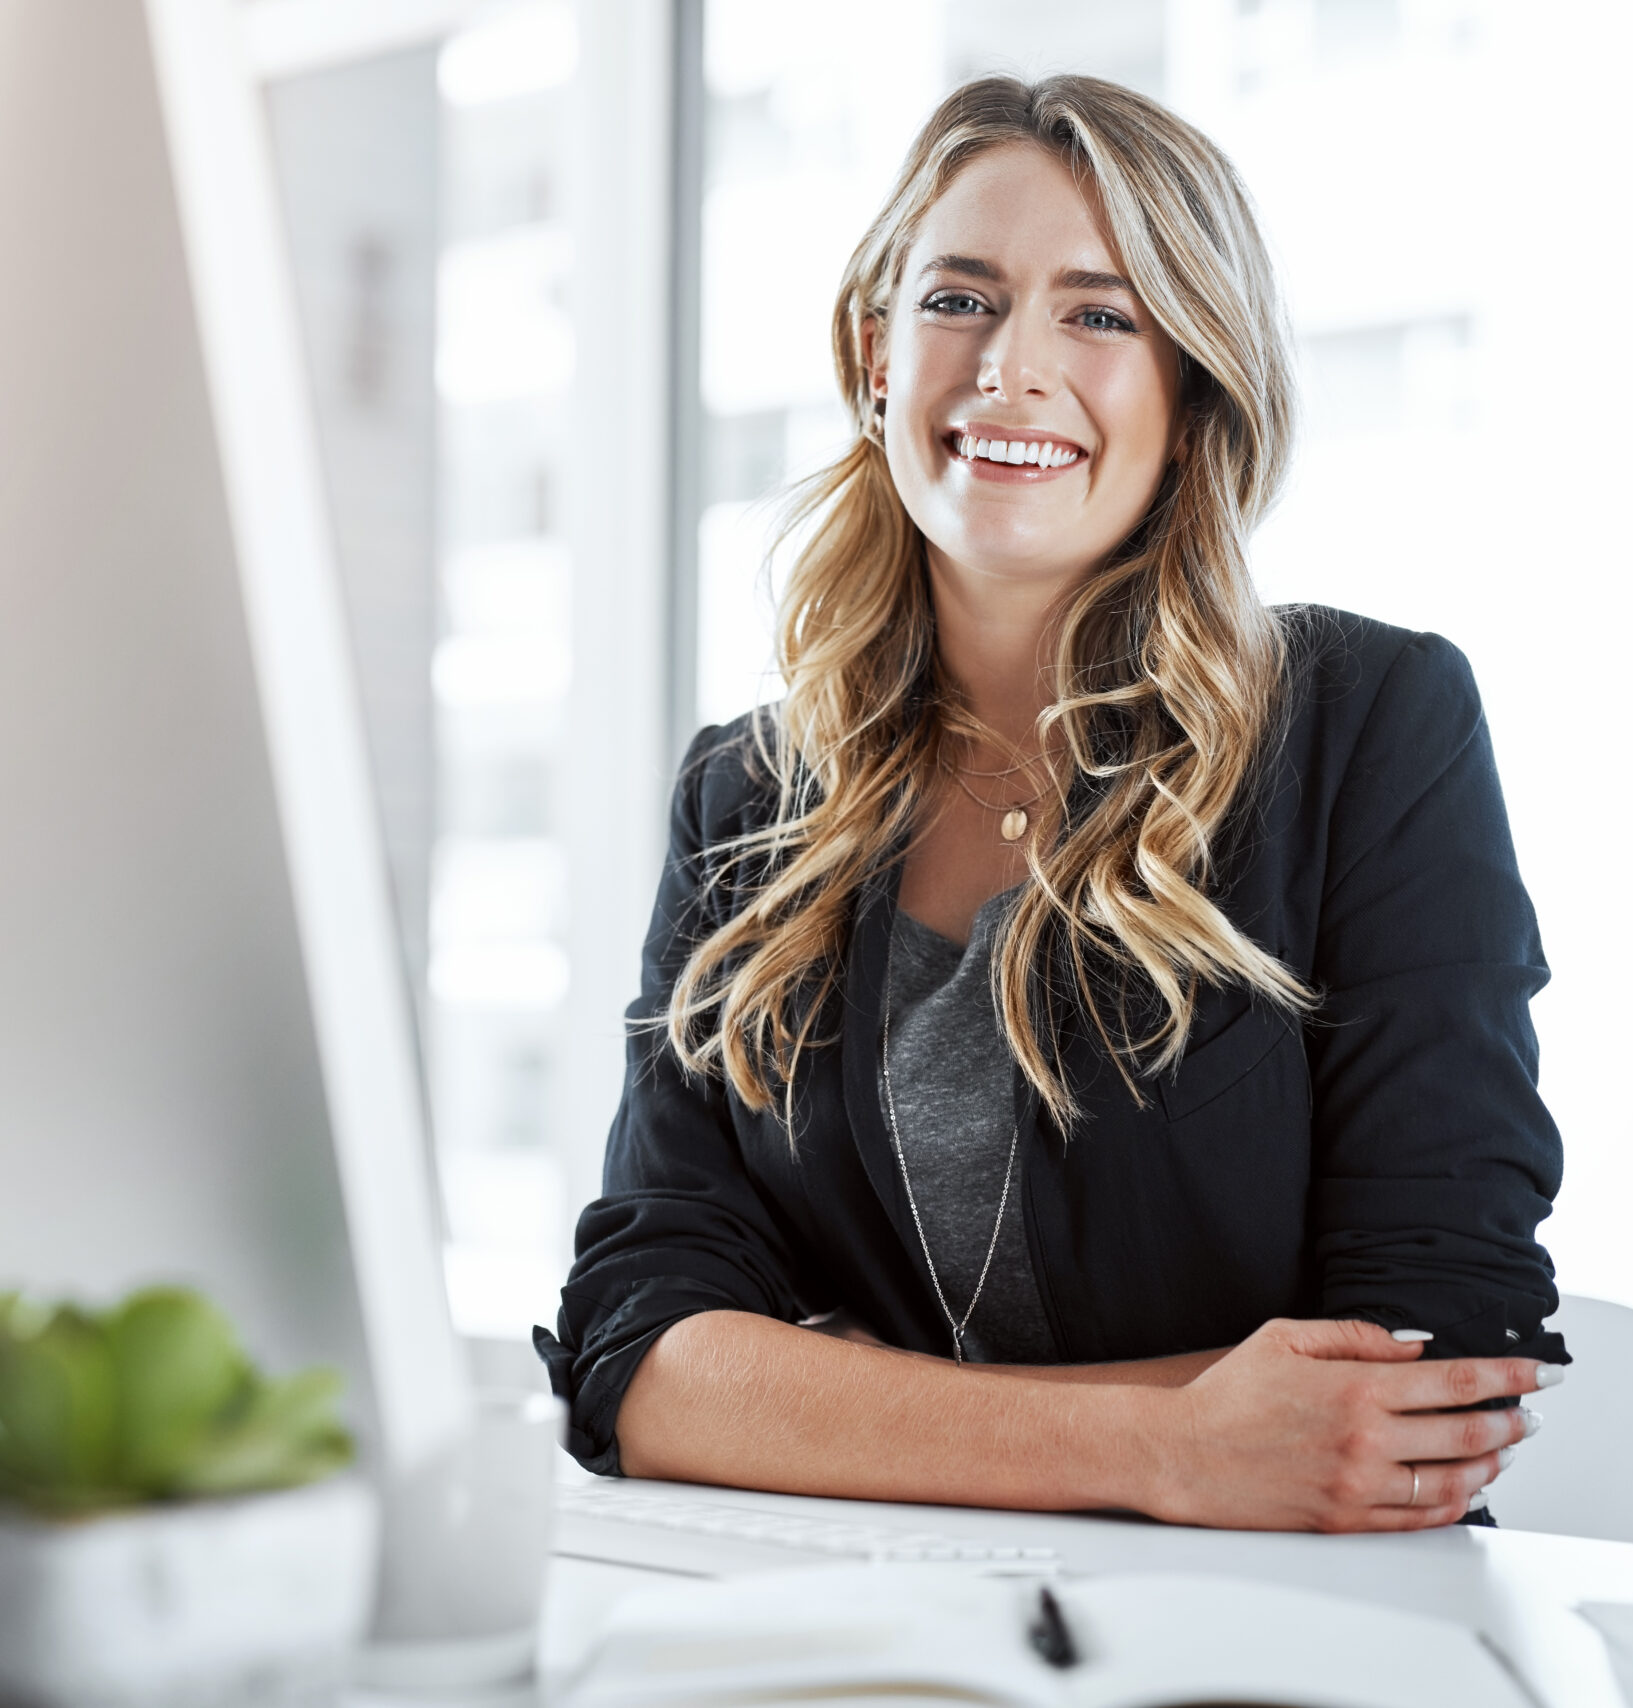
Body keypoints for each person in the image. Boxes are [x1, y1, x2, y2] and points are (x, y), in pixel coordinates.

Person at [535, 74, 1569, 1533]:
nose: (1012, 370)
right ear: (875, 354)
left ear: (1191, 384)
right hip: (858, 1631)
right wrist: (1172, 1447)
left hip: (1289, 1631)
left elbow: (1433, 1363)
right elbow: (639, 1351)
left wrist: (829, 1402)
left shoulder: (1370, 725)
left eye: (1100, 314)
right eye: (959, 298)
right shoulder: (743, 797)